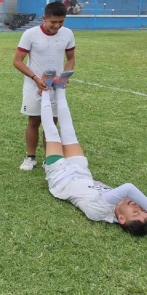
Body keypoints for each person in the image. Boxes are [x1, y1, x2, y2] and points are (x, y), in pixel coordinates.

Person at [39, 71, 147, 236]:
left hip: (60, 177)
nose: (137, 206)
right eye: (142, 209)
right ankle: (60, 88)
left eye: (136, 212)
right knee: (69, 131)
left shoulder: (97, 213)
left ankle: (45, 90)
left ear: (122, 219)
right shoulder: (117, 204)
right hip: (81, 172)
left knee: (52, 132)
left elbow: (129, 188)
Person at [13, 1, 76, 171]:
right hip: (34, 84)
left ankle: (51, 159)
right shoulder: (30, 34)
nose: (57, 26)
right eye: (53, 22)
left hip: (56, 87)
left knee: (52, 123)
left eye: (61, 22)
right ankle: (30, 157)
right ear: (44, 19)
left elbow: (70, 59)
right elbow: (17, 61)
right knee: (34, 121)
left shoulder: (68, 34)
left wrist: (65, 76)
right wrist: (35, 78)